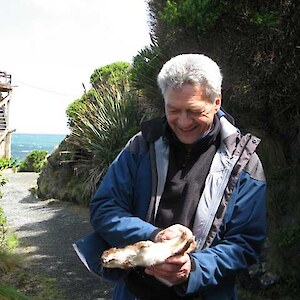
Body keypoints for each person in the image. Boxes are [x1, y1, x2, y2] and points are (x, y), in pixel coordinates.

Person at [74, 54, 266, 300]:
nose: (184, 122)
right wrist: (153, 235)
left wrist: (193, 269)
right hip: (135, 293)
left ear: (216, 102)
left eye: (194, 110)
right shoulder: (140, 147)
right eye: (173, 110)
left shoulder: (246, 163)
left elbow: (246, 243)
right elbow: (105, 208)